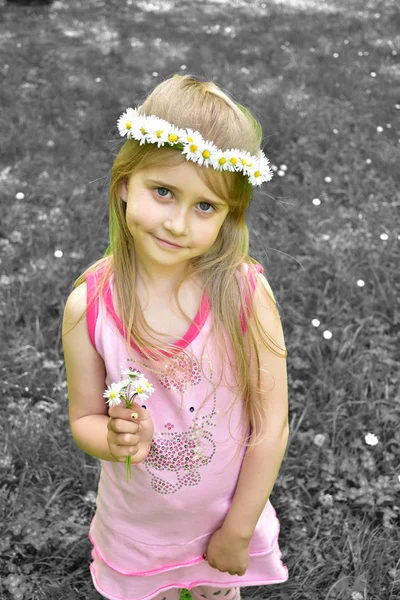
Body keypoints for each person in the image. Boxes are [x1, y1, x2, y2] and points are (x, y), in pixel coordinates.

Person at [62, 73, 290, 600]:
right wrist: (115, 439)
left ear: (229, 215)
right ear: (125, 184)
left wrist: (238, 529)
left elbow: (271, 424)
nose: (179, 224)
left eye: (204, 206)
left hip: (222, 521)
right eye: (162, 192)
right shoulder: (89, 307)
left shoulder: (244, 294)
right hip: (139, 528)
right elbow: (83, 420)